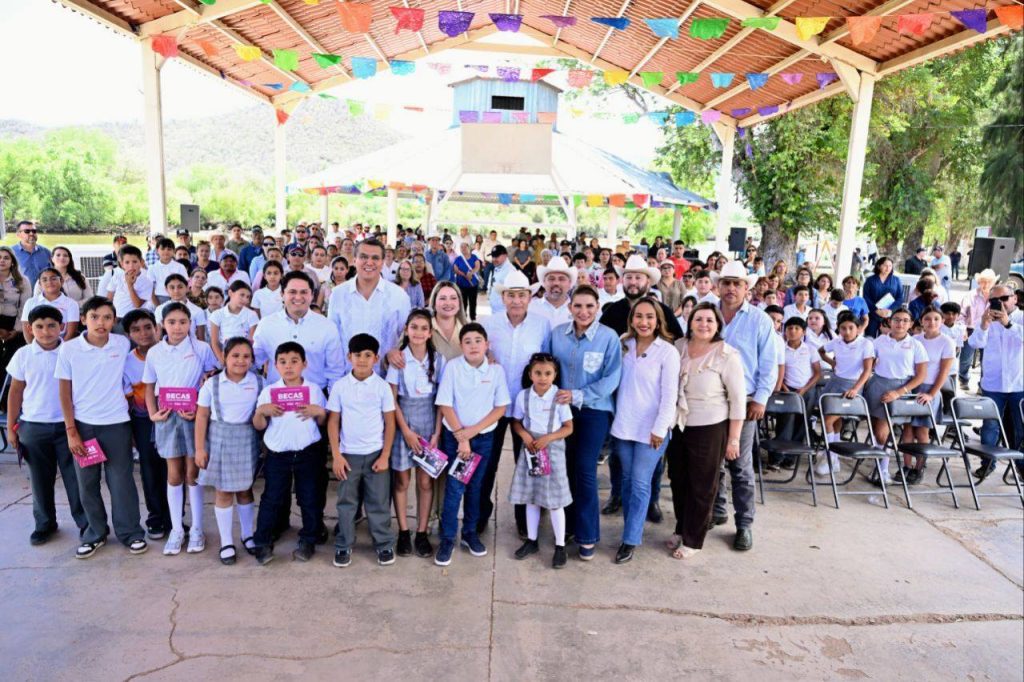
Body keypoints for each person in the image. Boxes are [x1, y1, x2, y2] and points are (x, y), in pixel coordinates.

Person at [57, 296, 148, 559]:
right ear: (83, 319)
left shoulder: (121, 343)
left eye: (107, 317)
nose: (101, 322)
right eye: (94, 316)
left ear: (114, 320)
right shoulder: (69, 349)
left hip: (117, 424)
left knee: (121, 481)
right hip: (84, 427)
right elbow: (64, 392)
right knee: (87, 483)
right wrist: (71, 430)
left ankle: (130, 532)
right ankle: (94, 533)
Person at [667, 303, 745, 559]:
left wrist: (734, 439)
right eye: (698, 319)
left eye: (710, 320)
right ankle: (681, 527)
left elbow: (738, 401)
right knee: (678, 479)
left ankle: (693, 539)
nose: (704, 324)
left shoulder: (727, 355)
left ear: (718, 325)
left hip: (710, 426)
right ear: (690, 322)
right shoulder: (678, 347)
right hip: (679, 424)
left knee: (702, 485)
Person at [550, 284, 622, 560]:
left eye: (589, 306)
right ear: (570, 308)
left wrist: (578, 395)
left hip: (594, 411)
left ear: (598, 307)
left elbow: (612, 378)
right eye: (578, 306)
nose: (583, 311)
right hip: (562, 412)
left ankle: (588, 534)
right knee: (565, 469)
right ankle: (568, 526)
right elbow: (545, 366)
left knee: (584, 469)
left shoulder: (608, 337)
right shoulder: (557, 334)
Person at [6, 305, 88, 545]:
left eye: (52, 325)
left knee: (76, 478)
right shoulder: (23, 355)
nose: (46, 331)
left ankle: (85, 522)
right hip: (33, 426)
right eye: (39, 326)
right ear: (30, 328)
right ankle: (44, 524)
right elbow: (15, 392)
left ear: (62, 327)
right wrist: (11, 427)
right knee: (40, 479)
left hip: (68, 426)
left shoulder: (72, 352)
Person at [479, 269, 551, 537]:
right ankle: (480, 514)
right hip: (494, 406)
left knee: (528, 463)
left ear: (529, 298)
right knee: (487, 463)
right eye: (511, 295)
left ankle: (526, 519)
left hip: (527, 407)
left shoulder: (541, 325)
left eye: (522, 295)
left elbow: (546, 363)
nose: (516, 301)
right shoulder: (490, 324)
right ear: (503, 298)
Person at [143, 303, 218, 555]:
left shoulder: (201, 348)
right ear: (162, 324)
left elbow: (212, 376)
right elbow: (149, 385)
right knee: (174, 474)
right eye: (172, 322)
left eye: (183, 322)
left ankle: (196, 528)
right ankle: (177, 529)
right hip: (167, 418)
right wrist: (152, 413)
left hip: (192, 417)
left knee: (192, 472)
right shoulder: (155, 352)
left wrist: (199, 407)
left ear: (190, 324)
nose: (177, 327)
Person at [433, 323, 510, 566]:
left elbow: (500, 407)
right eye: (467, 341)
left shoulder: (496, 371)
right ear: (461, 345)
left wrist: (472, 433)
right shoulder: (453, 367)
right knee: (455, 488)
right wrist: (462, 436)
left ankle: (469, 533)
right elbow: (445, 404)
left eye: (478, 341)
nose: (473, 345)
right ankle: (447, 538)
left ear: (487, 344)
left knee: (476, 487)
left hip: (483, 438)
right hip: (456, 438)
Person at [713, 261, 777, 551]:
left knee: (739, 465)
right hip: (710, 401)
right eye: (726, 282)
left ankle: (744, 524)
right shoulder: (707, 313)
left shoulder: (760, 320)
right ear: (718, 285)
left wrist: (761, 398)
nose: (731, 288)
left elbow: (769, 363)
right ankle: (717, 510)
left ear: (746, 288)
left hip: (746, 402)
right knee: (712, 462)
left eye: (736, 283)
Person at [610, 298, 680, 564]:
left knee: (640, 483)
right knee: (627, 481)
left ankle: (630, 539)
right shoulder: (623, 344)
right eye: (638, 316)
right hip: (624, 426)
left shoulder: (667, 352)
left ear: (658, 320)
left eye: (649, 317)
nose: (644, 322)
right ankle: (631, 529)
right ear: (631, 319)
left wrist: (660, 428)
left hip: (652, 430)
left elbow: (669, 395)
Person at [248, 341, 326, 565]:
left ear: (304, 364)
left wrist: (319, 411)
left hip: (307, 453)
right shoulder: (269, 391)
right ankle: (262, 541)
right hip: (277, 454)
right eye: (282, 362)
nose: (288, 366)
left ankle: (309, 539)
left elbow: (323, 422)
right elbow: (259, 425)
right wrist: (261, 412)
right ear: (275, 365)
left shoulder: (313, 390)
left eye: (294, 361)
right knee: (272, 498)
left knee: (309, 497)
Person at [328, 333, 398, 568]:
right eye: (357, 355)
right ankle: (344, 544)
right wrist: (336, 455)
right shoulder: (340, 387)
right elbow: (333, 422)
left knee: (378, 501)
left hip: (376, 455)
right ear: (349, 357)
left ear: (376, 359)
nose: (362, 360)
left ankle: (384, 543)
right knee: (346, 503)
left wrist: (385, 455)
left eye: (368, 355)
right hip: (348, 456)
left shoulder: (382, 387)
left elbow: (390, 423)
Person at [387, 310, 445, 559]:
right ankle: (403, 530)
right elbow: (392, 399)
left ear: (430, 333)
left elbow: (442, 399)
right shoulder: (399, 359)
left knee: (425, 482)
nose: (418, 332)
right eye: (414, 327)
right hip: (404, 423)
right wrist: (407, 432)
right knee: (402, 481)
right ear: (406, 330)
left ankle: (421, 532)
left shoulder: (439, 359)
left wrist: (436, 433)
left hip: (429, 423)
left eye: (424, 328)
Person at [510, 353, 575, 569]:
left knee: (554, 500)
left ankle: (560, 546)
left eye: (548, 373)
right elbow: (516, 422)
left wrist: (549, 438)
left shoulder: (559, 397)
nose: (543, 377)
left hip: (552, 449)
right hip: (531, 450)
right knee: (532, 497)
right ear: (530, 374)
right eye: (538, 373)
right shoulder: (523, 396)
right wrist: (524, 435)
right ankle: (532, 540)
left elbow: (568, 427)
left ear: (555, 375)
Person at [862, 307, 929, 485]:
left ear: (911, 324)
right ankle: (879, 467)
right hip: (877, 385)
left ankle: (883, 469)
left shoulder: (915, 344)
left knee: (882, 432)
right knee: (876, 431)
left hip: (900, 389)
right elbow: (868, 364)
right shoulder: (880, 341)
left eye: (905, 320)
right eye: (897, 319)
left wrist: (898, 393)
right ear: (889, 322)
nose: (900, 323)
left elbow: (921, 375)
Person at [122, 309, 172, 540]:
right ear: (128, 334)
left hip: (172, 417)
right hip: (143, 421)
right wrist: (132, 430)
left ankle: (175, 518)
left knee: (173, 468)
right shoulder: (127, 361)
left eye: (147, 327)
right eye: (136, 329)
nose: (143, 333)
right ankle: (156, 518)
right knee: (149, 468)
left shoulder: (169, 352)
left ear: (157, 328)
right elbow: (128, 398)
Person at [328, 239, 411, 376]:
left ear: (382, 262)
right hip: (346, 377)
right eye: (363, 257)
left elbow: (406, 336)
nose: (369, 262)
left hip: (386, 377)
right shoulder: (338, 294)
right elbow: (333, 340)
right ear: (354, 260)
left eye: (375, 258)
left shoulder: (399, 296)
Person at [968, 285, 1023, 480]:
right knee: (989, 426)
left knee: (1020, 428)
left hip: (1019, 383)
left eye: (1004, 298)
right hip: (993, 384)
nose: (1000, 303)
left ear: (1014, 298)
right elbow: (974, 343)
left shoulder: (1021, 318)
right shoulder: (986, 319)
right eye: (994, 300)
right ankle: (987, 464)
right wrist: (984, 325)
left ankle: (1021, 466)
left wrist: (1008, 324)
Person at [898, 308, 956, 484]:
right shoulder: (915, 339)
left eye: (936, 319)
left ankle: (919, 467)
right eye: (928, 319)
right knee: (907, 428)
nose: (932, 322)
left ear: (942, 321)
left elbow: (944, 372)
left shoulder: (947, 342)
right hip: (912, 386)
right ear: (921, 321)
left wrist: (931, 393)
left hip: (930, 388)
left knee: (922, 430)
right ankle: (906, 466)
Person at [816, 311, 875, 475]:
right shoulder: (837, 341)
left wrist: (855, 389)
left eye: (851, 328)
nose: (847, 332)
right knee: (834, 421)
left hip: (852, 385)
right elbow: (821, 351)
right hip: (835, 382)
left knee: (828, 421)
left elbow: (867, 370)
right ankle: (834, 457)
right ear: (838, 328)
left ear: (858, 328)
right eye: (843, 328)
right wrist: (832, 363)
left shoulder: (866, 344)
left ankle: (830, 457)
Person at [957, 269, 997, 390]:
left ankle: (982, 385)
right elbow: (961, 315)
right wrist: (963, 329)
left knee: (987, 360)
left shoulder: (996, 297)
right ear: (979, 282)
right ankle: (963, 379)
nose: (986, 284)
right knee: (965, 358)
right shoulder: (970, 295)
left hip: (989, 331)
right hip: (971, 329)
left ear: (993, 283)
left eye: (989, 282)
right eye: (983, 281)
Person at [21, 268, 79, 343]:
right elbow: (26, 330)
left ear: (61, 281)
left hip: (63, 346)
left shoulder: (71, 303)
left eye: (53, 279)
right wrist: (34, 347)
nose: (49, 282)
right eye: (44, 280)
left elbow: (71, 333)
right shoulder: (31, 302)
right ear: (40, 284)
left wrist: (60, 348)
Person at [208, 281, 259, 362]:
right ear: (230, 293)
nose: (245, 299)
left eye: (247, 297)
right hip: (224, 354)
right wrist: (223, 360)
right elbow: (214, 342)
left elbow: (252, 341)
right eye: (242, 295)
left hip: (244, 354)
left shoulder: (252, 315)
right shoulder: (217, 314)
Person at [106, 245, 156, 321]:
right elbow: (109, 298)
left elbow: (137, 304)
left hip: (135, 319)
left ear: (141, 262)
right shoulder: (117, 276)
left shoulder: (147, 281)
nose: (131, 266)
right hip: (116, 317)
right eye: (127, 262)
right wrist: (110, 314)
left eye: (135, 262)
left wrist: (130, 285)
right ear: (122, 264)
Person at [155, 274, 208, 342]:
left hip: (191, 346)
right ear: (166, 290)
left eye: (180, 287)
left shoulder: (198, 311)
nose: (176, 291)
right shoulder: (160, 309)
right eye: (172, 287)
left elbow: (201, 338)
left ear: (187, 288)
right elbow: (158, 335)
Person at [528, 257, 576, 329]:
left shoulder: (578, 310)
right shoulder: (531, 308)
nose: (556, 283)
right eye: (551, 279)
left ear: (569, 283)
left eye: (561, 279)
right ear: (544, 282)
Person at [863, 257, 903, 337]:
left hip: (889, 315)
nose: (888, 268)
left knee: (887, 339)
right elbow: (866, 297)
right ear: (879, 266)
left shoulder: (896, 280)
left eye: (890, 266)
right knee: (870, 337)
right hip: (873, 314)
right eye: (885, 265)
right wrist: (876, 310)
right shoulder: (870, 280)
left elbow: (900, 298)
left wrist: (890, 310)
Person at [12, 221, 51, 289]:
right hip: (20, 293)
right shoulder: (10, 253)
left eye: (34, 231)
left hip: (43, 293)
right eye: (27, 231)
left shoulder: (46, 252)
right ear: (18, 234)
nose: (31, 233)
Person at [149, 238, 189, 305]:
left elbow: (185, 284)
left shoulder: (180, 267)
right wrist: (157, 305)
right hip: (159, 298)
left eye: (169, 249)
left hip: (178, 297)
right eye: (162, 249)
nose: (166, 251)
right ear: (157, 250)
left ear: (173, 251)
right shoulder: (152, 268)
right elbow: (150, 289)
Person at [452, 243, 482, 321]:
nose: (463, 248)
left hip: (473, 284)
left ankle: (473, 318)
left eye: (465, 247)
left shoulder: (474, 257)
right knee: (462, 302)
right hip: (461, 284)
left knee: (473, 302)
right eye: (461, 247)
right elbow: (455, 269)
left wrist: (471, 273)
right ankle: (463, 317)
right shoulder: (458, 258)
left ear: (469, 248)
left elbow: (477, 266)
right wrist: (465, 275)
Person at [488, 245, 514, 314]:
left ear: (505, 256)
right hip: (496, 310)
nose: (494, 259)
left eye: (496, 256)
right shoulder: (498, 266)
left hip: (504, 312)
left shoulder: (510, 271)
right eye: (493, 256)